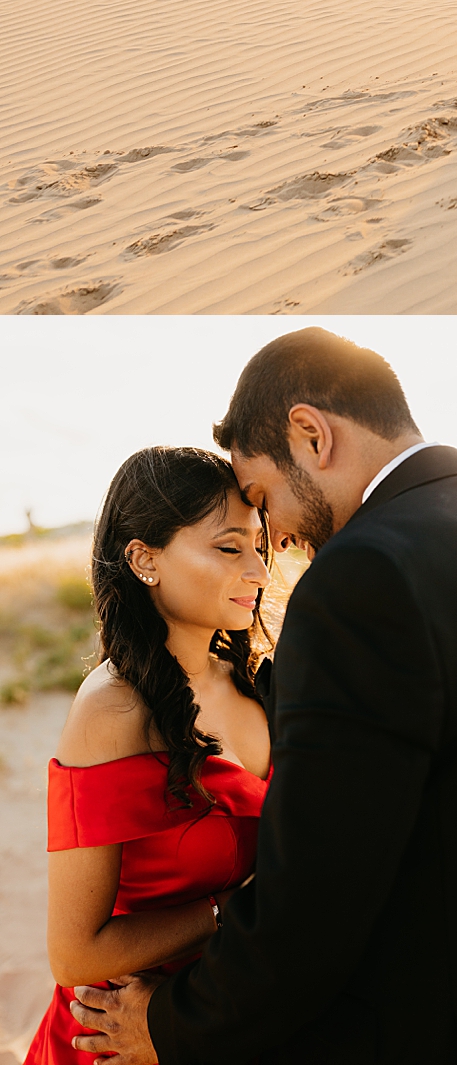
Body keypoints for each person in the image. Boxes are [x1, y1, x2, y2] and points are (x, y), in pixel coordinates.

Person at [69, 326, 457, 1065]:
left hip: (411, 1013)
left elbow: (320, 897)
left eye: (264, 502)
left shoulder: (361, 573)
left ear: (311, 433)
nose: (279, 544)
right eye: (234, 539)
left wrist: (175, 1024)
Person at [27, 449, 272, 1065]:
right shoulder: (112, 711)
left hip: (219, 1017)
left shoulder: (255, 683)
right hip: (120, 1036)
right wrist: (231, 910)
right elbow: (74, 954)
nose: (259, 571)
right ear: (144, 559)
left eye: (260, 547)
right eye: (228, 547)